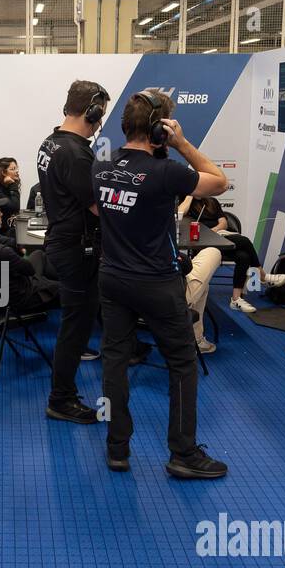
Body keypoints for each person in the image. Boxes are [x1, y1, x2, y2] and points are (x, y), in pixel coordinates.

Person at [94, 88, 229, 479]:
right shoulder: (166, 172)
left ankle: (117, 448)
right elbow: (219, 182)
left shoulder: (99, 166)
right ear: (159, 130)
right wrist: (182, 142)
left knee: (115, 360)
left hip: (112, 278)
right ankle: (183, 454)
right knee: (183, 363)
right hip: (156, 282)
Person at [37, 80, 110, 425]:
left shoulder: (50, 143)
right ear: (91, 111)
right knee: (75, 328)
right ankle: (61, 399)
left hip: (63, 243)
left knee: (74, 323)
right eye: (100, 115)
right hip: (77, 248)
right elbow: (98, 207)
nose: (100, 123)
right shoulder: (77, 152)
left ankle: (61, 394)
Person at [178, 194, 285, 313]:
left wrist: (213, 232)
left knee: (243, 256)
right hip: (202, 242)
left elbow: (223, 222)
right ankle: (262, 275)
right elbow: (180, 214)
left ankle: (236, 299)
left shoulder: (211, 201)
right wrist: (189, 196)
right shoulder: (184, 202)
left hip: (220, 236)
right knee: (244, 241)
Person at [0, 193, 58, 314]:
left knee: (38, 254)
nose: (1, 213)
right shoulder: (2, 252)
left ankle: (44, 281)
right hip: (20, 300)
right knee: (72, 290)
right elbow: (29, 270)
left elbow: (4, 240)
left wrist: (18, 245)